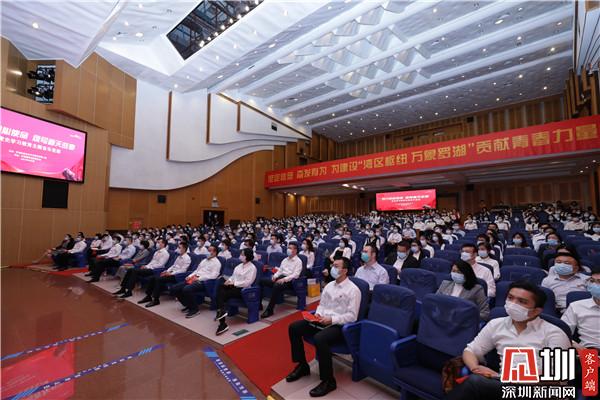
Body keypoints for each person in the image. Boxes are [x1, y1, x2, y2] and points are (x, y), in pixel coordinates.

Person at [446, 281, 571, 400]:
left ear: (536, 311)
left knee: (474, 383)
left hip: (541, 391)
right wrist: (476, 368)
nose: (513, 304)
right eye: (510, 298)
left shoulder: (555, 334)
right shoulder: (496, 324)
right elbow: (471, 350)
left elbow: (559, 377)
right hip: (504, 387)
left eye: (522, 302)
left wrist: (500, 377)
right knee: (475, 381)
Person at [286, 257, 361, 397]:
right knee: (294, 327)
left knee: (319, 338)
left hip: (339, 325)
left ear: (344, 270)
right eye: (333, 265)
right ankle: (302, 365)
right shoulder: (329, 285)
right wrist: (318, 314)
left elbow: (352, 317)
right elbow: (322, 304)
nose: (332, 268)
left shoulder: (353, 290)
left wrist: (332, 319)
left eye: (336, 266)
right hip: (321, 320)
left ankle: (328, 381)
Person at [171, 245, 222, 318]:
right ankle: (189, 305)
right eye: (208, 250)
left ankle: (195, 309)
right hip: (194, 278)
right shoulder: (204, 260)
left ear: (215, 252)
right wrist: (190, 276)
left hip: (204, 282)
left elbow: (213, 276)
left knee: (186, 289)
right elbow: (197, 270)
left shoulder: (217, 263)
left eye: (210, 250)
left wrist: (199, 278)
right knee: (175, 288)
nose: (208, 252)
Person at [215, 248, 257, 335]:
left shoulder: (252, 268)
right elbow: (233, 276)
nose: (240, 256)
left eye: (242, 255)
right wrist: (229, 280)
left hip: (243, 291)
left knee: (222, 294)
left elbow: (248, 282)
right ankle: (222, 315)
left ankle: (222, 319)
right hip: (234, 287)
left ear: (247, 256)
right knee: (220, 287)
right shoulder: (239, 266)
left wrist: (234, 283)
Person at [138, 242, 191, 307]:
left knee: (158, 279)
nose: (178, 249)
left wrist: (171, 273)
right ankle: (148, 296)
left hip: (176, 276)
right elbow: (173, 266)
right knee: (153, 278)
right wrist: (166, 271)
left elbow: (183, 270)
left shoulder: (187, 258)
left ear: (184, 249)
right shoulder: (179, 257)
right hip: (170, 273)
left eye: (179, 248)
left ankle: (156, 300)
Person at [561, 266, 600, 350]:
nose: (595, 285)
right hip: (589, 351)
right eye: (592, 281)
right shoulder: (576, 306)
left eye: (599, 282)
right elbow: (561, 333)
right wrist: (578, 347)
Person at [260, 243, 303, 318]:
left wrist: (284, 279)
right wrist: (275, 276)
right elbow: (280, 270)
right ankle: (259, 304)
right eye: (288, 248)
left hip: (290, 281)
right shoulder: (285, 260)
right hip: (280, 278)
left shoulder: (298, 261)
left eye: (290, 248)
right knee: (261, 281)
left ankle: (270, 310)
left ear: (295, 250)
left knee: (276, 286)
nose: (288, 250)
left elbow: (296, 275)